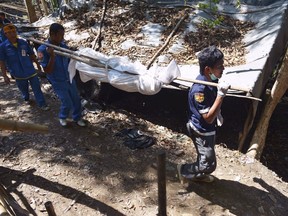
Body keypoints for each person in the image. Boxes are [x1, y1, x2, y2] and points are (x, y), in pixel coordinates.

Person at [177, 45, 230, 183]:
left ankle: (198, 176)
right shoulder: (199, 91)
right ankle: (184, 170)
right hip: (201, 130)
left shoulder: (210, 79)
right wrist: (220, 96)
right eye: (219, 66)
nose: (223, 68)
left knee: (206, 158)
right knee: (208, 165)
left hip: (208, 129)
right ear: (208, 69)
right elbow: (208, 118)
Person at [37, 23, 86, 127]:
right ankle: (62, 116)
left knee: (76, 99)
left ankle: (77, 118)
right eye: (60, 35)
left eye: (63, 35)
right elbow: (47, 70)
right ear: (52, 34)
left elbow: (70, 60)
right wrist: (52, 56)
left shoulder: (62, 46)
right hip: (57, 80)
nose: (62, 38)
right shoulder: (43, 50)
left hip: (69, 77)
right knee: (66, 101)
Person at [0, 23, 49, 111]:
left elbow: (31, 54)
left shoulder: (23, 43)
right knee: (24, 89)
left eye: (14, 31)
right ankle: (26, 97)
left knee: (37, 88)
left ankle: (42, 104)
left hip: (30, 70)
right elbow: (2, 62)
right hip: (18, 73)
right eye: (9, 32)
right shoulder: (3, 47)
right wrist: (4, 75)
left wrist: (37, 64)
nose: (12, 34)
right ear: (5, 34)